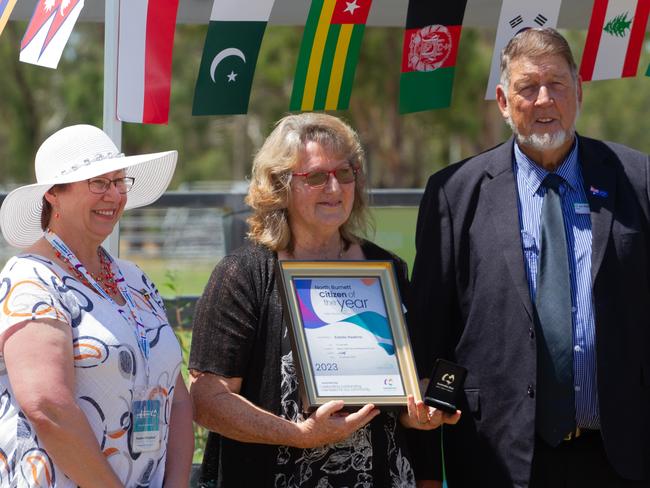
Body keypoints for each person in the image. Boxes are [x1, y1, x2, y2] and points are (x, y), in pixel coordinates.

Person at [410, 27, 650, 488]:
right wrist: (424, 470)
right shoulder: (454, 193)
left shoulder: (636, 178)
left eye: (556, 84)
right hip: (496, 458)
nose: (544, 100)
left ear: (578, 92)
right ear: (503, 100)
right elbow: (428, 337)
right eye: (527, 88)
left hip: (622, 456)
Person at [189, 113, 459, 488]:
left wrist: (419, 414)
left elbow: (402, 398)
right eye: (316, 176)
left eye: (344, 173)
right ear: (281, 186)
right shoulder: (245, 274)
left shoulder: (388, 270)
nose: (334, 187)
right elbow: (206, 399)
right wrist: (297, 434)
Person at [0, 125, 194, 487]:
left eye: (119, 182)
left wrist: (177, 482)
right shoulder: (31, 279)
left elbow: (175, 395)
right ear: (53, 195)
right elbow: (47, 407)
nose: (114, 195)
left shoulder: (134, 278)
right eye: (98, 183)